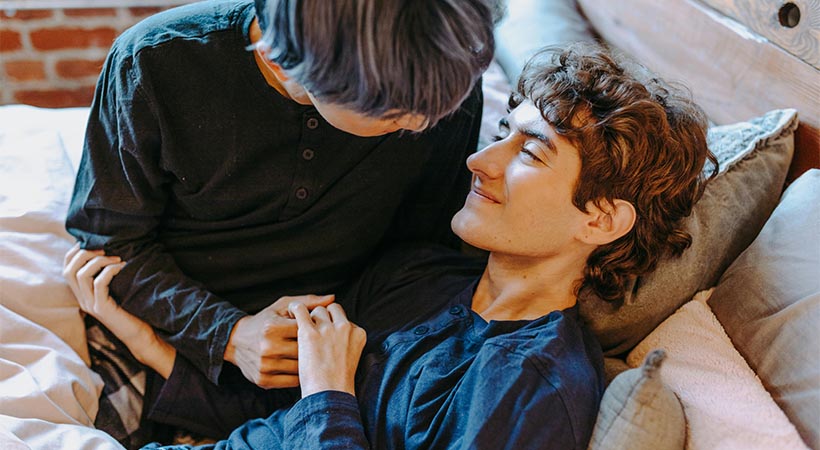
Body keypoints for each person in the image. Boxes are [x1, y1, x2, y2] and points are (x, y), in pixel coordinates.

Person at [66, 42, 717, 448]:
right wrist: (140, 333)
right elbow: (278, 409)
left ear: (601, 220)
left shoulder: (535, 385)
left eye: (531, 152)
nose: (480, 160)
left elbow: (319, 404)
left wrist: (327, 388)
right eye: (501, 132)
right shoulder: (418, 275)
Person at [64, 0, 495, 444]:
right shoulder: (154, 61)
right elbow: (110, 243)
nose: (425, 121)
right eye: (395, 114)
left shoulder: (444, 82)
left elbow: (422, 249)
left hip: (343, 339)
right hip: (183, 318)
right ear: (277, 58)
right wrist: (229, 334)